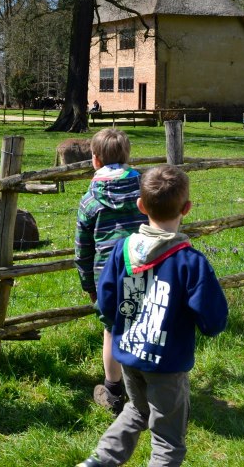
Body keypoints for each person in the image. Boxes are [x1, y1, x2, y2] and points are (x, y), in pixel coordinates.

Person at [77, 165, 229, 467]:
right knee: (168, 440)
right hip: (167, 363)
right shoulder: (189, 262)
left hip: (129, 355)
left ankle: (98, 462)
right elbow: (213, 321)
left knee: (136, 410)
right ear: (186, 208)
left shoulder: (122, 250)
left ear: (140, 205)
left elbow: (106, 304)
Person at [75, 128, 147, 415]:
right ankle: (147, 387)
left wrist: (87, 283)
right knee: (143, 324)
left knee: (112, 330)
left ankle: (114, 391)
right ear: (127, 156)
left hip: (107, 276)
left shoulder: (90, 200)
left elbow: (83, 248)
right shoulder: (145, 191)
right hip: (143, 268)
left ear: (95, 159)